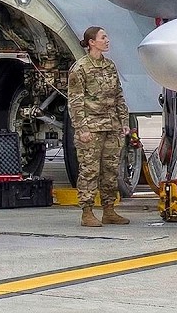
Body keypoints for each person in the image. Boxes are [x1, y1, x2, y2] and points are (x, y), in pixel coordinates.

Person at [68, 26, 131, 227]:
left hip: (111, 126)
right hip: (91, 128)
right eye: (103, 37)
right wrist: (82, 128)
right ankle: (87, 211)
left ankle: (109, 209)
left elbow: (118, 96)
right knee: (89, 170)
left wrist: (124, 122)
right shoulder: (80, 69)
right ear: (91, 42)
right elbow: (75, 101)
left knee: (110, 170)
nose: (107, 40)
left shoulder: (109, 66)